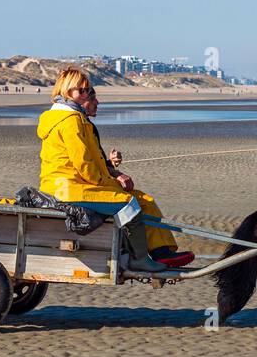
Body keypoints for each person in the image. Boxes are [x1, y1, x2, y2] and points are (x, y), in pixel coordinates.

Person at [37, 67, 192, 269]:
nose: (89, 94)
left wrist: (111, 169)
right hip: (68, 189)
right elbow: (86, 167)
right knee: (128, 202)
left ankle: (163, 253)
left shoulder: (77, 119)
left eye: (90, 90)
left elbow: (90, 160)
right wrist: (113, 183)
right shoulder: (70, 121)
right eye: (83, 90)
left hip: (75, 185)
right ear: (68, 93)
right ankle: (139, 259)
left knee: (145, 200)